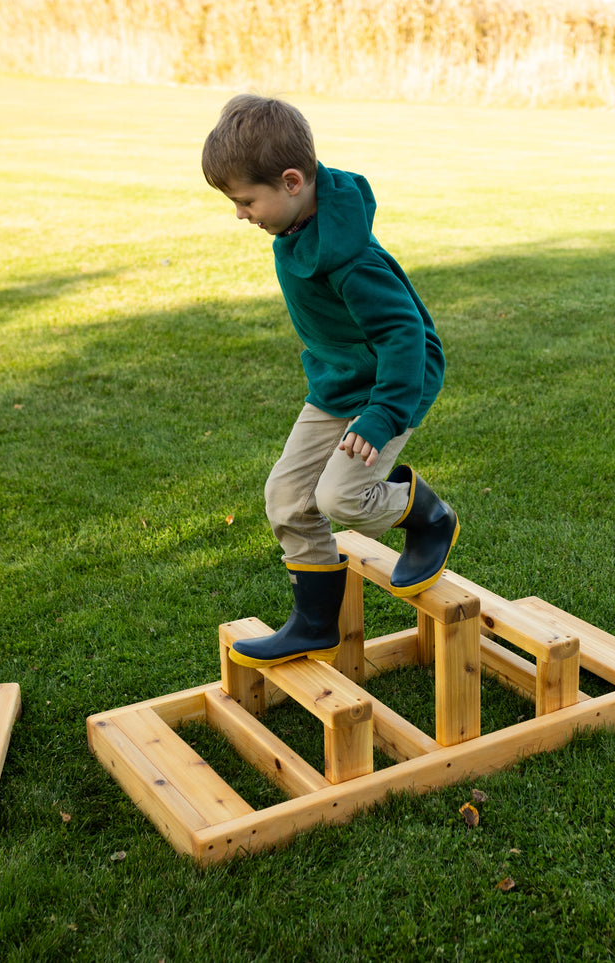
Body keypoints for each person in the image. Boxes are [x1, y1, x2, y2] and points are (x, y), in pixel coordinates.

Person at [201, 94, 458, 669]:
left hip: (393, 385)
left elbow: (405, 336)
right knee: (287, 498)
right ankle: (315, 623)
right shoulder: (296, 220)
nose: (240, 214)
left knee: (341, 496)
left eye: (246, 201)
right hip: (339, 384)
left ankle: (428, 515)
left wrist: (384, 414)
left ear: (293, 181)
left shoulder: (353, 261)